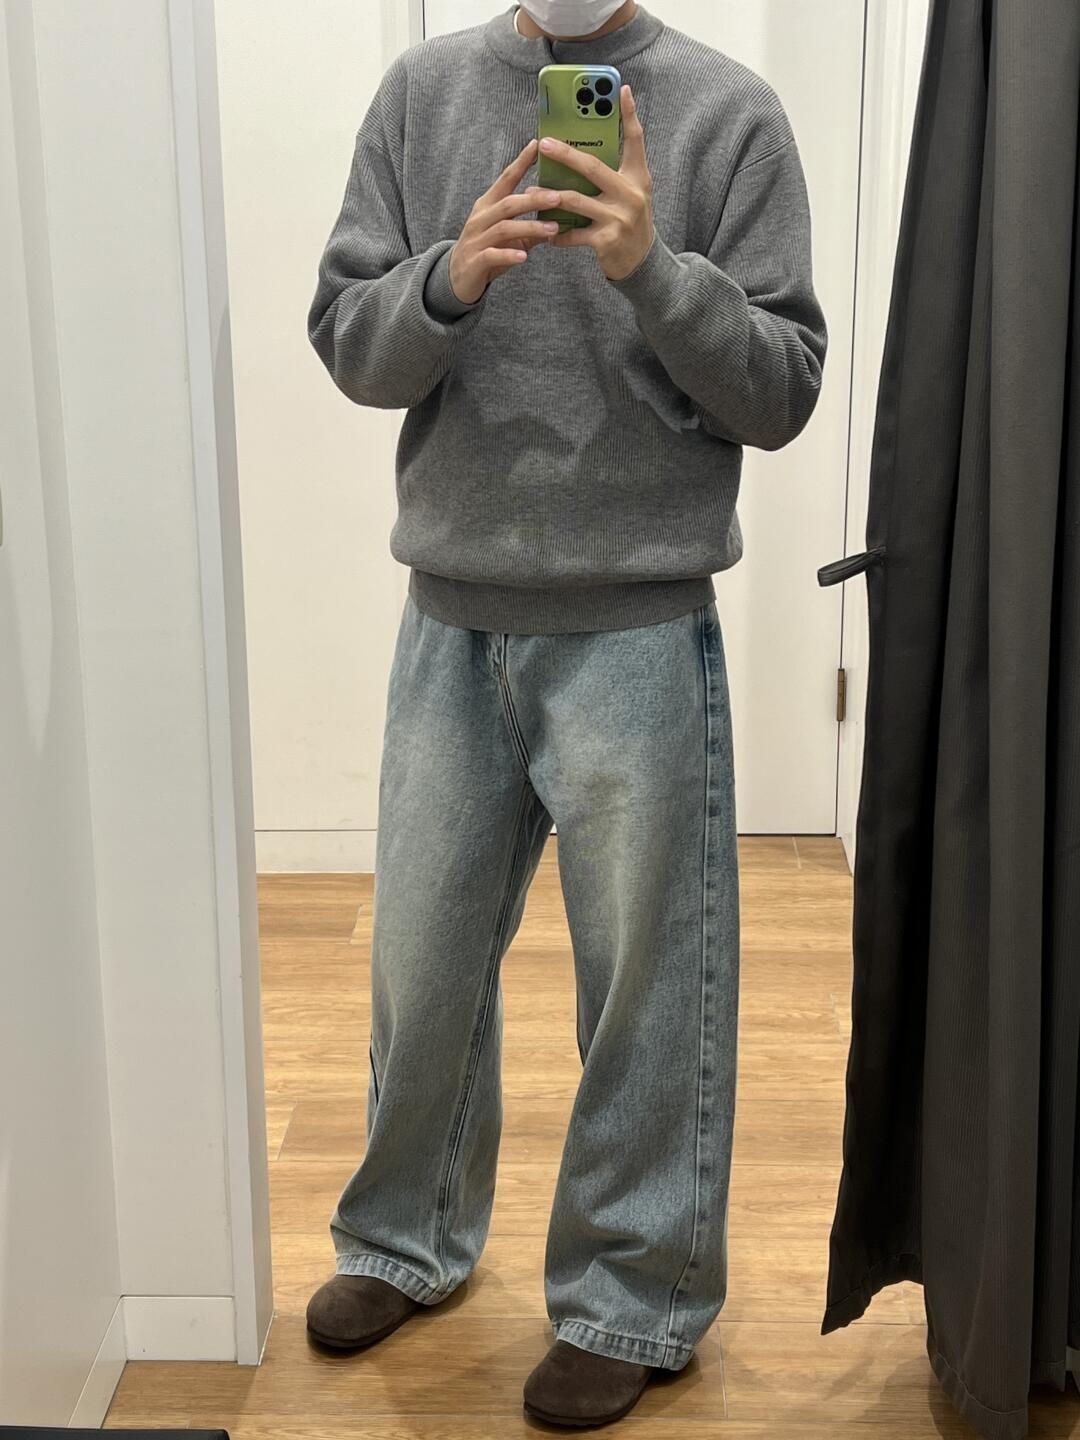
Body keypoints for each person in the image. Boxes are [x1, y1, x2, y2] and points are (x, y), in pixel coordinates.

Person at [304, 0, 827, 1426]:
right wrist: (445, 280)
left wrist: (652, 268)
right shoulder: (420, 97)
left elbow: (784, 388)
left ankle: (633, 1298)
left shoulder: (730, 113)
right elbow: (349, 345)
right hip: (451, 615)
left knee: (650, 987)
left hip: (639, 622)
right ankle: (402, 1240)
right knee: (419, 967)